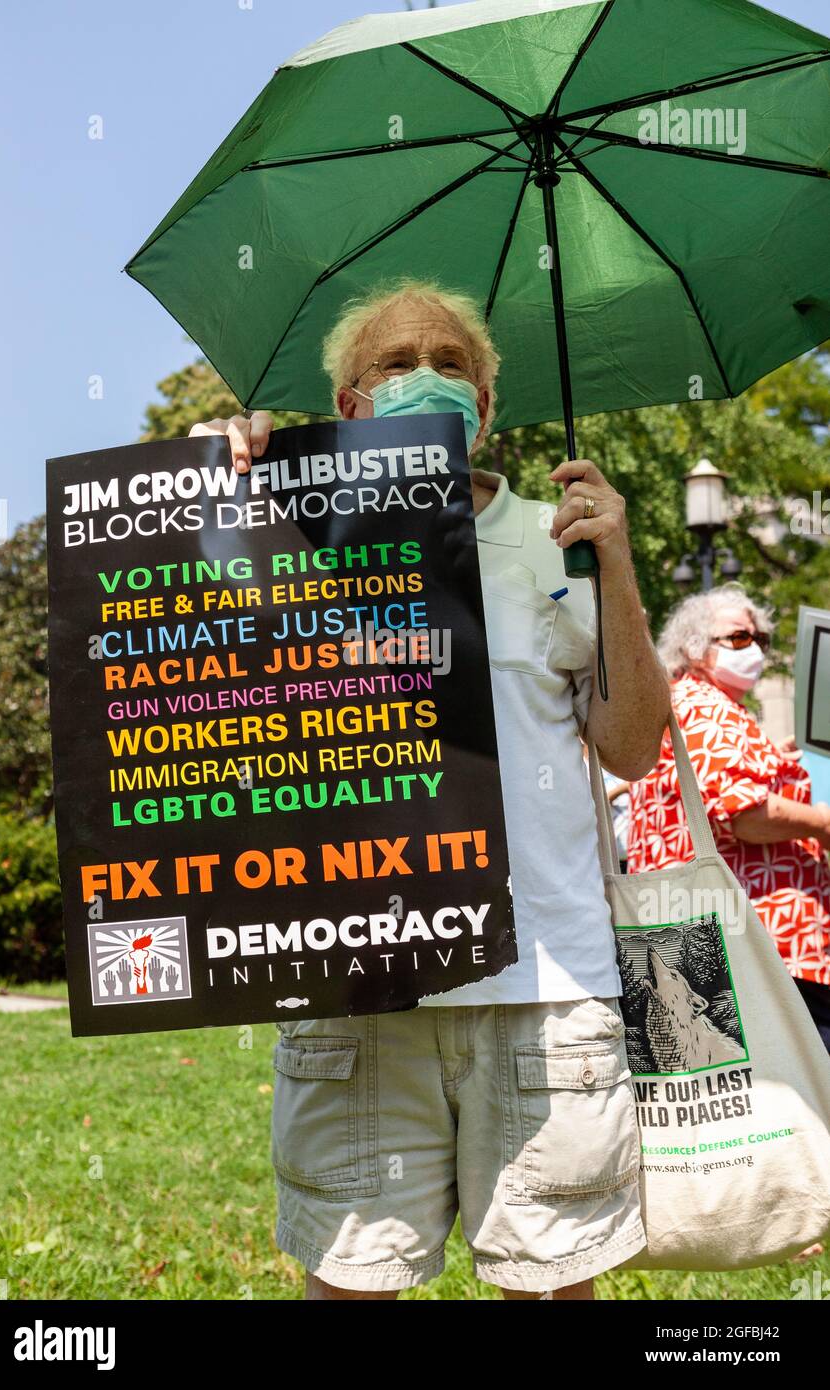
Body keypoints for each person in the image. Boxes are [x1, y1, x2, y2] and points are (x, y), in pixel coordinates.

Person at [190, 280, 670, 1300]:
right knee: (351, 1282)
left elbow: (628, 748)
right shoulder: (283, 523)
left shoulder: (559, 537)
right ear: (349, 403)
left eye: (453, 364)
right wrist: (212, 488)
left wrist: (615, 559)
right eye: (395, 363)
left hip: (540, 992)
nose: (426, 376)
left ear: (485, 406)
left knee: (551, 1281)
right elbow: (210, 690)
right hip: (362, 982)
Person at [628, 583, 830, 1053]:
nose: (755, 648)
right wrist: (820, 822)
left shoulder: (707, 708)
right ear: (695, 646)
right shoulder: (702, 709)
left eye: (760, 639)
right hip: (756, 947)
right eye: (739, 638)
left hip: (718, 944)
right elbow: (746, 814)